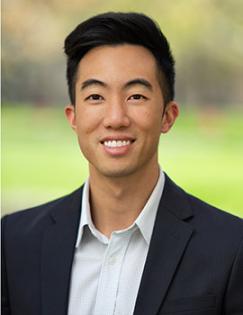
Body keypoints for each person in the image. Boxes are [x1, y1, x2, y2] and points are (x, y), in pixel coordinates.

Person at [1, 12, 243, 315]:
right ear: (73, 117)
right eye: (95, 96)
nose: (115, 118)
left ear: (168, 116)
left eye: (136, 96)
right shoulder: (13, 241)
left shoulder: (232, 248)